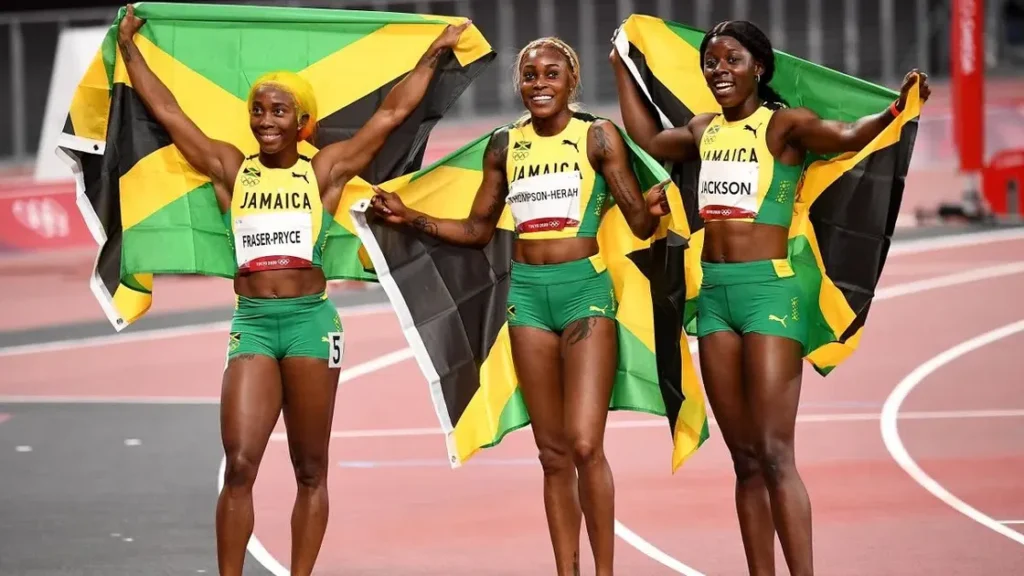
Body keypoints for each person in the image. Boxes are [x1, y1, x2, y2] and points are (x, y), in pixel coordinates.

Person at [115, 5, 470, 575]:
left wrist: (432, 55)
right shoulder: (230, 168)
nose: (265, 119)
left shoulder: (323, 170)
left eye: (279, 110)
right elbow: (168, 112)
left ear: (302, 121)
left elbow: (391, 115)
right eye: (257, 109)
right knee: (239, 464)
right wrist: (130, 49)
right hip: (253, 323)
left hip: (311, 324)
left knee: (310, 469)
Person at [609, 19, 929, 576]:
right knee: (745, 460)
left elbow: (848, 135)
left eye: (732, 60)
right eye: (710, 63)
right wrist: (621, 66)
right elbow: (650, 139)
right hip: (714, 299)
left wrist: (895, 110)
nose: (719, 71)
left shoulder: (783, 127)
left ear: (759, 66)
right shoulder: (704, 130)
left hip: (769, 295)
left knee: (777, 454)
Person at [369, 36, 668, 576]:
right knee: (552, 454)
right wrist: (409, 215)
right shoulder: (504, 147)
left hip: (585, 293)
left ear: (571, 82)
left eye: (551, 74)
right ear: (519, 85)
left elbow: (640, 225)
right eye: (530, 75)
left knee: (583, 444)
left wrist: (654, 207)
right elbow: (479, 230)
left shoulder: (598, 138)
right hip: (527, 298)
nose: (539, 84)